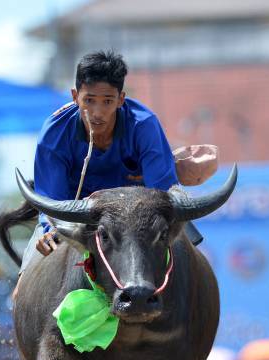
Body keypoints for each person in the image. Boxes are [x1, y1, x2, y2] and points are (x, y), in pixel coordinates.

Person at [13, 50, 218, 299]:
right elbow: (52, 203)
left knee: (189, 263)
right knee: (23, 289)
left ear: (121, 99)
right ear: (75, 96)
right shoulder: (54, 133)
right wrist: (49, 230)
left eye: (107, 101)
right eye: (89, 100)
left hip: (137, 217)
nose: (97, 112)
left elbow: (162, 195)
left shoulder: (144, 125)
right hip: (78, 213)